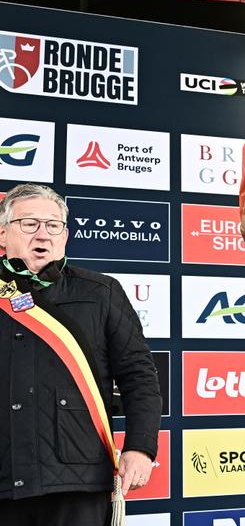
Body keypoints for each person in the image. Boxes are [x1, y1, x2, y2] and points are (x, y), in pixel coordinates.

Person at [0, 184, 162, 526]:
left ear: (65, 235)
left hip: (79, 479)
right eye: (29, 223)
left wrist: (141, 447)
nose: (42, 234)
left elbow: (139, 376)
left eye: (53, 225)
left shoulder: (101, 292)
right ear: (4, 231)